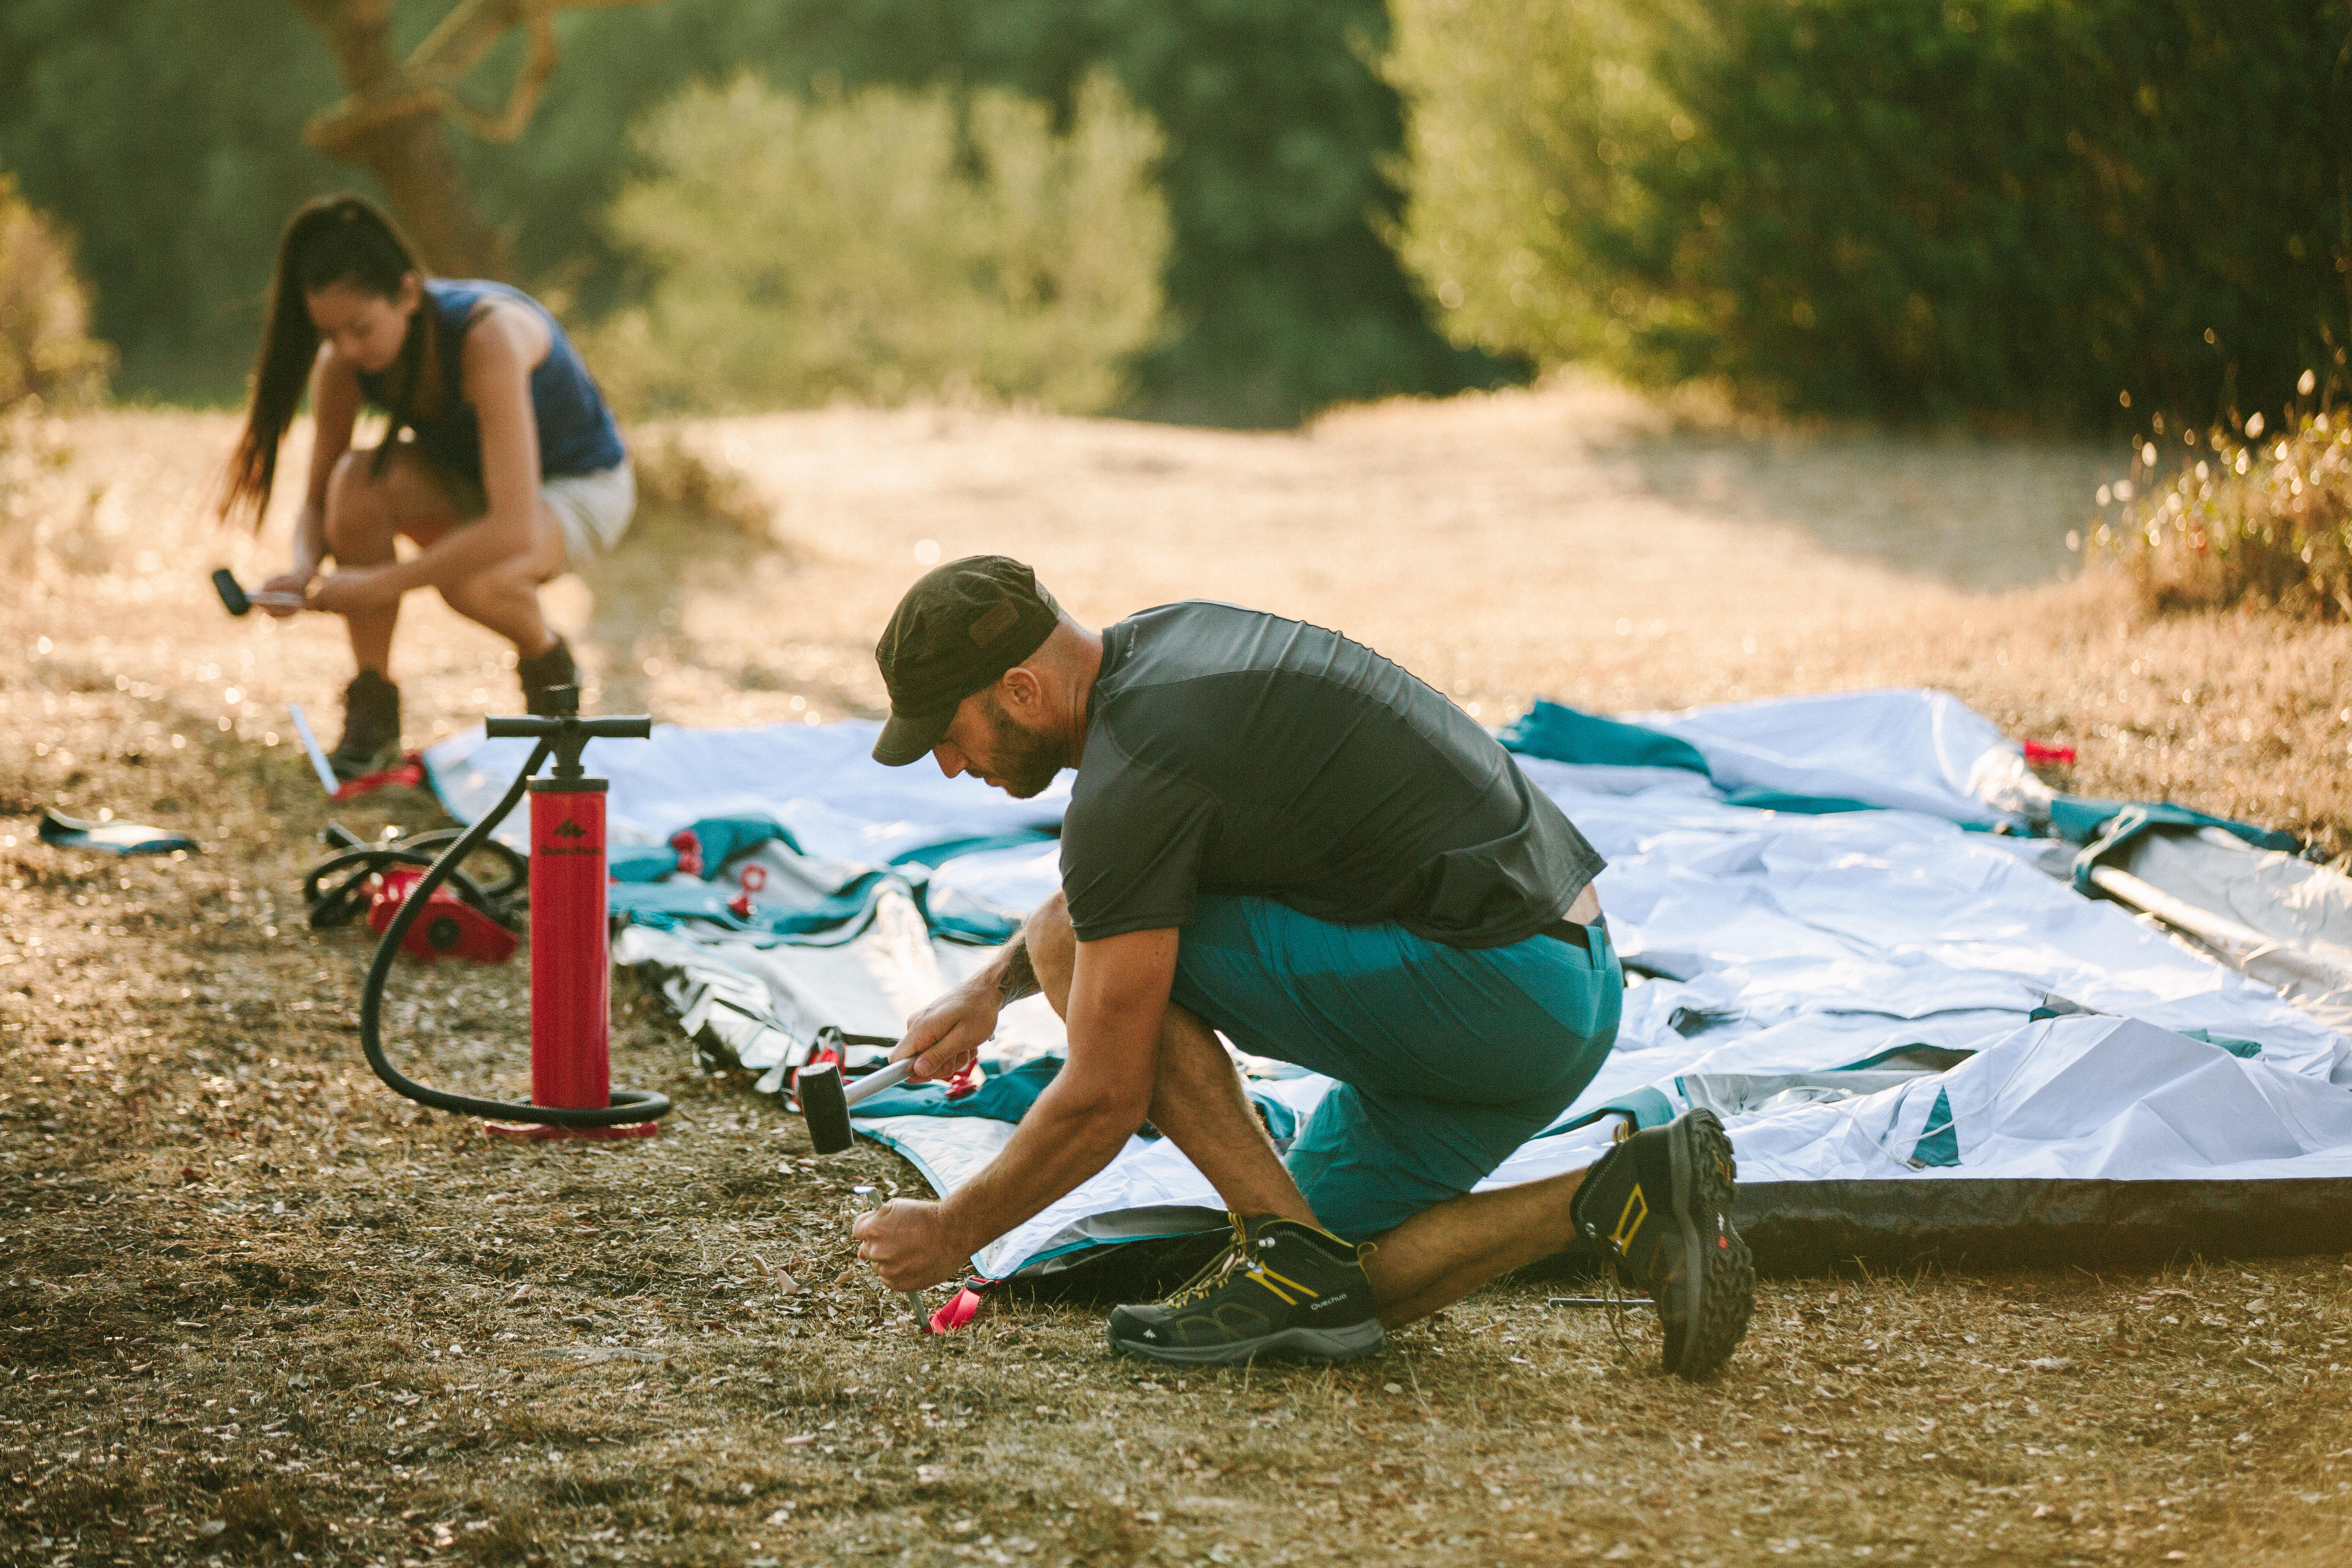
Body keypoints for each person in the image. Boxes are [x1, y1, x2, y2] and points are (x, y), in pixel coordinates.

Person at [849, 556, 1755, 1378]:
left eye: (950, 732)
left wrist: (954, 1229)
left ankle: (1288, 1256)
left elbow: (1105, 1097)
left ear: (1020, 688)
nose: (948, 764)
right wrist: (987, 990)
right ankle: (1627, 1191)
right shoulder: (1169, 647)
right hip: (1570, 985)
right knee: (1339, 1294)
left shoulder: (1133, 772)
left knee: (1070, 936)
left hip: (1499, 984)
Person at [219, 194, 633, 780]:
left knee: (473, 576)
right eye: (330, 335)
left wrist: (383, 583)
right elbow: (318, 501)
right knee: (356, 482)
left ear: (409, 295)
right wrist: (305, 568)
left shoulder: (489, 337)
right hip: (478, 484)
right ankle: (373, 708)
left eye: (361, 329)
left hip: (582, 486)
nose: (348, 350)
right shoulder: (343, 363)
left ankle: (549, 667)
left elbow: (511, 527)